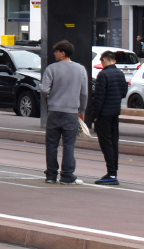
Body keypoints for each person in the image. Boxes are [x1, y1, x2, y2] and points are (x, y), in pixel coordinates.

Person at [39, 40, 88, 184]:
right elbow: (84, 92)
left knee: (51, 144)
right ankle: (67, 175)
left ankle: (51, 175)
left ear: (63, 53)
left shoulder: (52, 68)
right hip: (71, 112)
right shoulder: (80, 69)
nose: (54, 54)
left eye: (56, 51)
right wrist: (82, 110)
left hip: (54, 111)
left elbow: (44, 89)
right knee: (69, 145)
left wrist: (48, 99)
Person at [87, 50, 126, 185]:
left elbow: (99, 97)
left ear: (103, 60)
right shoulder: (120, 74)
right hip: (115, 112)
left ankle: (111, 173)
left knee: (106, 144)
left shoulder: (102, 75)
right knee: (114, 142)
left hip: (104, 114)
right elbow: (123, 93)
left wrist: (95, 116)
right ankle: (114, 171)